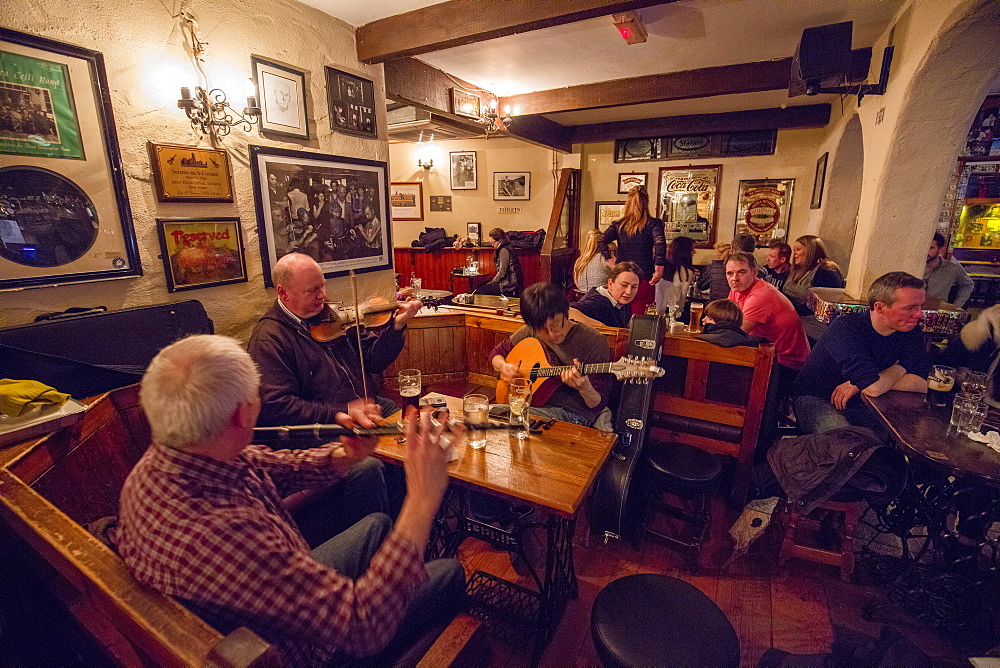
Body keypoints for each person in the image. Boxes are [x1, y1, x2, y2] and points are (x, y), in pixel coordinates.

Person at [115, 335, 467, 666]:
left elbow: (276, 464)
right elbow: (363, 626)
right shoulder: (221, 533)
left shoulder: (172, 458)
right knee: (449, 573)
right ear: (242, 413)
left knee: (378, 524)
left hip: (258, 605)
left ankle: (381, 585)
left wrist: (344, 454)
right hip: (304, 652)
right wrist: (423, 496)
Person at [247, 253, 421, 425]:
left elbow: (374, 360)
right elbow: (278, 407)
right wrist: (343, 410)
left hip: (371, 407)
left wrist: (396, 327)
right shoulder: (269, 340)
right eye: (312, 290)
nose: (322, 295)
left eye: (323, 286)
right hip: (328, 428)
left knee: (420, 432)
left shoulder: (334, 314)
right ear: (283, 292)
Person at [792, 271, 931, 435]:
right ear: (879, 307)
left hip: (865, 402)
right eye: (910, 308)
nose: (919, 314)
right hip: (817, 398)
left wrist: (858, 384)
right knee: (845, 444)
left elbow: (923, 384)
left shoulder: (910, 330)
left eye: (921, 306)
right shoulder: (846, 328)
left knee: (905, 437)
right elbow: (872, 388)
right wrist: (901, 368)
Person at [491, 282, 613, 428]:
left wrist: (585, 387)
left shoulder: (593, 341)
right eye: (543, 329)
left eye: (555, 324)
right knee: (488, 412)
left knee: (509, 419)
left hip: (572, 413)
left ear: (565, 312)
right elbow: (497, 353)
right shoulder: (531, 331)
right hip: (535, 404)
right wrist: (503, 366)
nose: (552, 334)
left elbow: (597, 405)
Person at [726, 251, 810, 393]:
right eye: (729, 273)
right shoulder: (738, 288)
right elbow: (727, 319)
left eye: (741, 272)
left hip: (786, 364)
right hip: (766, 353)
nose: (734, 278)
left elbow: (735, 335)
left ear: (754, 272)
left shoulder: (760, 295)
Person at [599, 187, 666, 315]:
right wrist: (659, 268)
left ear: (628, 203)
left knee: (618, 314)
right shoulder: (653, 224)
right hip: (644, 277)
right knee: (639, 319)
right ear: (646, 202)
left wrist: (609, 259)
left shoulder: (619, 224)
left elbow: (601, 240)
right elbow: (660, 244)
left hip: (622, 278)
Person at [782, 234, 845, 316]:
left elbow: (819, 305)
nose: (795, 254)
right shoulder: (795, 270)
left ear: (811, 251)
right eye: (794, 250)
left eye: (798, 249)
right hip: (790, 313)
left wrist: (792, 311)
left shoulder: (826, 271)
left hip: (809, 318)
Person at [572, 261, 641, 328]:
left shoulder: (622, 300)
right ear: (610, 283)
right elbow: (568, 311)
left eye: (634, 287)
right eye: (624, 285)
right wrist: (601, 327)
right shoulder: (597, 301)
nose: (628, 292)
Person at [925, 232, 974, 308]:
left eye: (931, 248)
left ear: (941, 249)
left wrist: (956, 305)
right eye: (925, 247)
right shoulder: (912, 266)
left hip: (937, 311)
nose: (926, 251)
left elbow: (968, 284)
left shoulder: (952, 268)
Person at [655, 235, 697, 318]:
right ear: (684, 252)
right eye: (692, 249)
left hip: (655, 310)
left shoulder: (661, 268)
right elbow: (682, 297)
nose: (694, 252)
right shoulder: (686, 272)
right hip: (673, 314)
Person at [696, 299, 765, 348]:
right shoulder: (755, 344)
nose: (703, 320)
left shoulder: (700, 341)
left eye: (710, 319)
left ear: (722, 323)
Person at [474, 228, 521, 297]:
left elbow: (502, 272)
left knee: (479, 291)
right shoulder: (507, 247)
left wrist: (493, 281)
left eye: (493, 242)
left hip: (509, 284)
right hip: (511, 281)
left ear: (500, 240)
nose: (492, 245)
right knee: (481, 286)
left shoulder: (504, 250)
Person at [574, 228, 614, 293]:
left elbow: (577, 284)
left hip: (582, 299)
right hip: (601, 298)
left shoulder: (579, 260)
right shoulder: (605, 258)